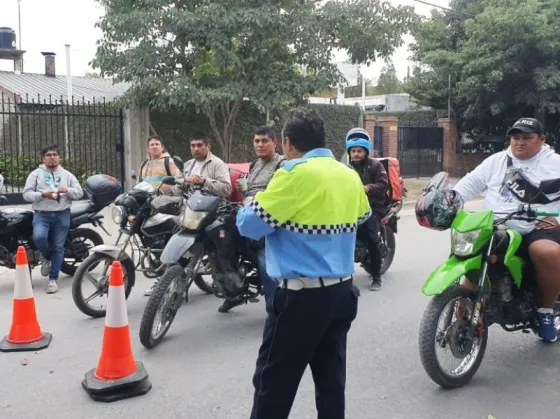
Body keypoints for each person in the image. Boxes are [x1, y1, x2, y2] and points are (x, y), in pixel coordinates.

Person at [236, 108, 371, 419]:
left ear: (287, 143)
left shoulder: (293, 176)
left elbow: (249, 225)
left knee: (273, 384)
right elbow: (363, 216)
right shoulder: (348, 174)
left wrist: (250, 203)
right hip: (341, 294)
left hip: (300, 298)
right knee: (331, 382)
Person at [453, 117, 560, 342]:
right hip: (497, 224)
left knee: (546, 252)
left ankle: (546, 311)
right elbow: (470, 183)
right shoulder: (497, 161)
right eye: (515, 137)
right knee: (473, 253)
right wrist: (450, 199)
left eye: (527, 138)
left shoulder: (554, 163)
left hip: (537, 227)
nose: (520, 142)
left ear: (541, 140)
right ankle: (461, 312)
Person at [218, 127, 286, 314]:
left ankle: (275, 309)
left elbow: (277, 195)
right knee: (218, 238)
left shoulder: (282, 164)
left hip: (265, 219)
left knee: (264, 263)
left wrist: (251, 198)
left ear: (275, 143)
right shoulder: (255, 164)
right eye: (257, 141)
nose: (260, 145)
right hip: (245, 212)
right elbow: (249, 193)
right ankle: (233, 292)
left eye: (264, 141)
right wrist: (245, 191)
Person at [22, 145, 83, 294]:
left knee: (59, 247)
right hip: (42, 214)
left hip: (62, 214)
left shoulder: (67, 175)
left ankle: (53, 279)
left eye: (55, 154)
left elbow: (79, 193)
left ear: (59, 157)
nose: (52, 157)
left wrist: (67, 190)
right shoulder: (36, 174)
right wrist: (42, 195)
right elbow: (26, 194)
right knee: (39, 237)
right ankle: (46, 257)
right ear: (43, 158)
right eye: (48, 155)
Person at [345, 128, 389, 291]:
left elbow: (384, 185)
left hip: (373, 207)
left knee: (372, 237)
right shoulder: (347, 168)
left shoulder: (375, 166)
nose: (355, 154)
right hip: (353, 208)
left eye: (359, 151)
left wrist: (368, 188)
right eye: (353, 151)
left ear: (365, 151)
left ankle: (376, 277)